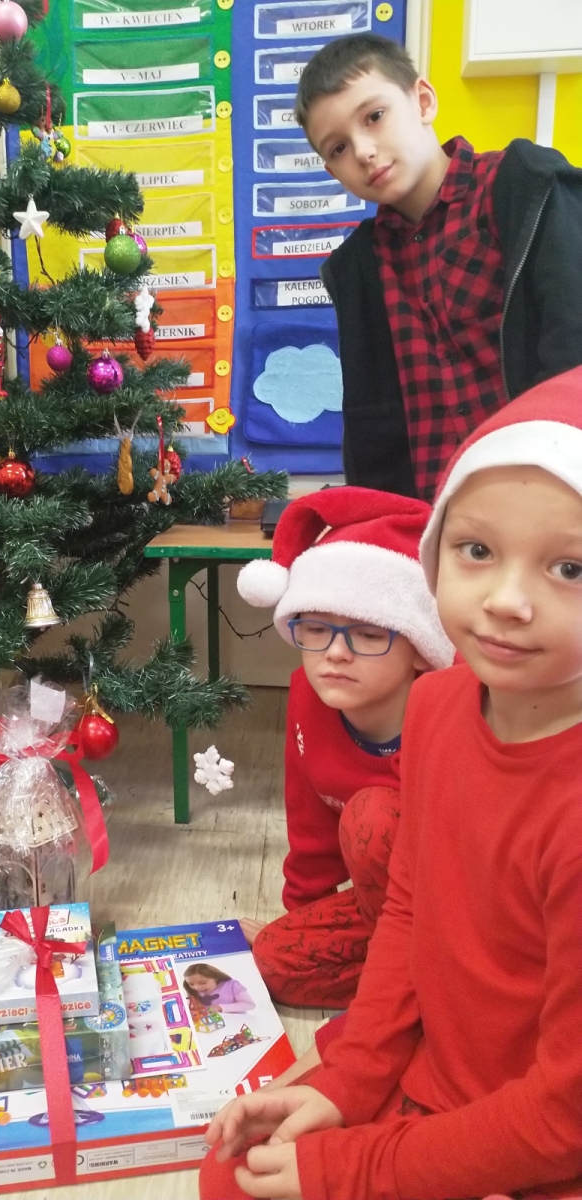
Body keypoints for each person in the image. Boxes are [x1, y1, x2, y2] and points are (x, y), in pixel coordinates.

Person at [201, 366, 582, 1200]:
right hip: (437, 1062)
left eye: (570, 568)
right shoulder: (439, 705)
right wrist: (353, 1077)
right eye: (477, 550)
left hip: (542, 1127)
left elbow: (563, 1116)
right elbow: (410, 906)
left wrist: (361, 1168)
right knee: (234, 1173)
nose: (507, 600)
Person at [292, 33, 582, 501]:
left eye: (374, 116)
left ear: (423, 101)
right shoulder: (358, 268)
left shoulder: (524, 187)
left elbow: (572, 353)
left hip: (550, 498)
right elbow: (372, 432)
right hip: (432, 519)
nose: (363, 151)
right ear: (331, 171)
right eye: (338, 148)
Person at [236, 488, 452, 1010]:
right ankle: (411, 983)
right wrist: (299, 920)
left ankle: (432, 990)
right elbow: (309, 825)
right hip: (388, 903)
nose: (335, 653)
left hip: (463, 906)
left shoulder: (450, 714)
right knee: (272, 961)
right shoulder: (308, 696)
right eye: (315, 629)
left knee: (371, 816)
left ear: (420, 648)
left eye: (368, 635)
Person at [183, 964, 255, 1015]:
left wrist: (220, 1007)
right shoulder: (194, 992)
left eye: (202, 983)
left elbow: (250, 1004)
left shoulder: (232, 985)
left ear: (215, 978)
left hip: (237, 1021)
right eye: (191, 984)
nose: (196, 987)